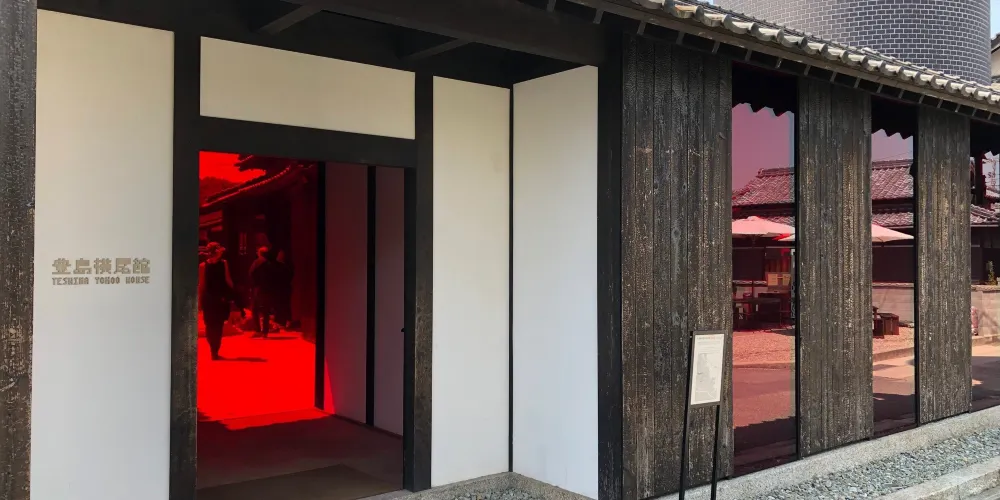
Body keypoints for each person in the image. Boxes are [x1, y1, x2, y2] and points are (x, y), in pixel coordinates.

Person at [199, 242, 235, 360]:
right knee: (218, 325)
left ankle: (213, 349)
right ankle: (215, 349)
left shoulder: (203, 266)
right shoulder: (223, 264)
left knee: (210, 324)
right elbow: (228, 280)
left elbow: (202, 285)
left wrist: (199, 300)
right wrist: (233, 294)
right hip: (220, 298)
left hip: (209, 299)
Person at [248, 246, 279, 338]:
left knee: (255, 309)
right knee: (266, 311)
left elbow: (251, 274)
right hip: (267, 290)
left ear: (259, 253)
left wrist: (252, 286)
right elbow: (274, 278)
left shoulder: (256, 263)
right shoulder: (270, 264)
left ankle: (258, 330)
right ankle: (265, 332)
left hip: (258, 289)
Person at [274, 250, 294, 328]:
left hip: (282, 289)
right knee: (284, 305)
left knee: (282, 305)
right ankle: (285, 321)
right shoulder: (286, 267)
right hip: (284, 288)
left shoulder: (281, 267)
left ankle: (283, 321)